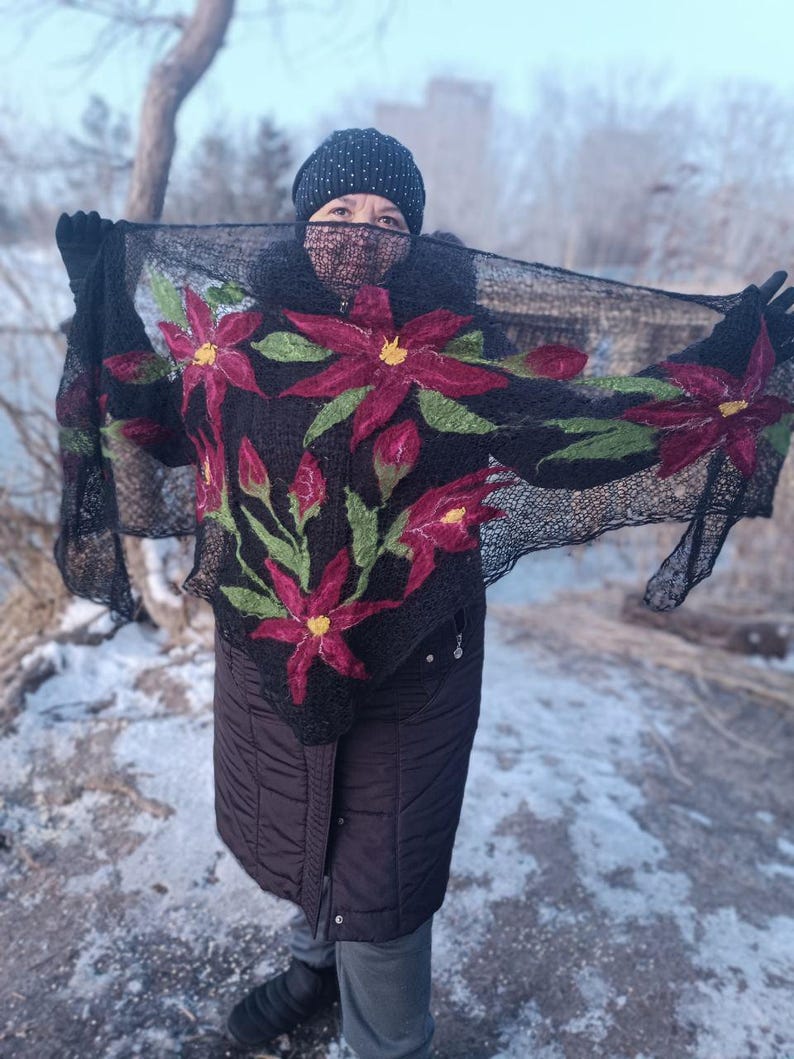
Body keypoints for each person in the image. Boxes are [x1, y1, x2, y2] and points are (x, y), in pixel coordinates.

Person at [55, 128, 794, 1059]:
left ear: (413, 236)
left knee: (385, 882)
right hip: (270, 649)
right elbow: (154, 421)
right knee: (296, 828)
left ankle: (389, 1043)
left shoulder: (458, 346)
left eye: (386, 218)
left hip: (414, 654)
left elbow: (570, 437)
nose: (360, 233)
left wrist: (726, 366)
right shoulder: (243, 335)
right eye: (338, 212)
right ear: (302, 224)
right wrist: (100, 294)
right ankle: (311, 970)